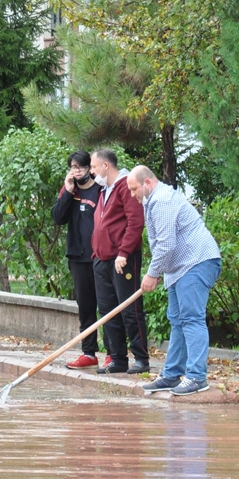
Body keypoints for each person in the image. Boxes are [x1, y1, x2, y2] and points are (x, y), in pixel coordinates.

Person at [126, 165, 222, 396]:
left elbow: (166, 244)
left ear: (147, 182)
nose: (132, 195)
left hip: (197, 262)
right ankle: (171, 374)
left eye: (134, 189)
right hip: (180, 268)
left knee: (191, 318)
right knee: (177, 320)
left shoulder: (163, 201)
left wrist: (152, 273)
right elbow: (163, 243)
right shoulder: (153, 200)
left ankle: (197, 377)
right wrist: (159, 271)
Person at [90, 147, 150, 375]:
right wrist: (96, 253)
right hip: (102, 259)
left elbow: (135, 222)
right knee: (107, 311)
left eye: (94, 167)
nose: (92, 173)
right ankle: (117, 358)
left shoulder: (126, 185)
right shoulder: (104, 190)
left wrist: (123, 252)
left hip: (122, 259)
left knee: (130, 309)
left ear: (106, 165)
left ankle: (141, 358)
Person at [52, 150, 102, 369]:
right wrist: (67, 193)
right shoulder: (69, 193)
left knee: (107, 305)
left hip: (100, 257)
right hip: (78, 258)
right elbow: (57, 218)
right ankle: (88, 353)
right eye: (73, 167)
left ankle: (114, 355)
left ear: (90, 169)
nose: (76, 171)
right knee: (86, 307)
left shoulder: (100, 191)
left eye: (80, 167)